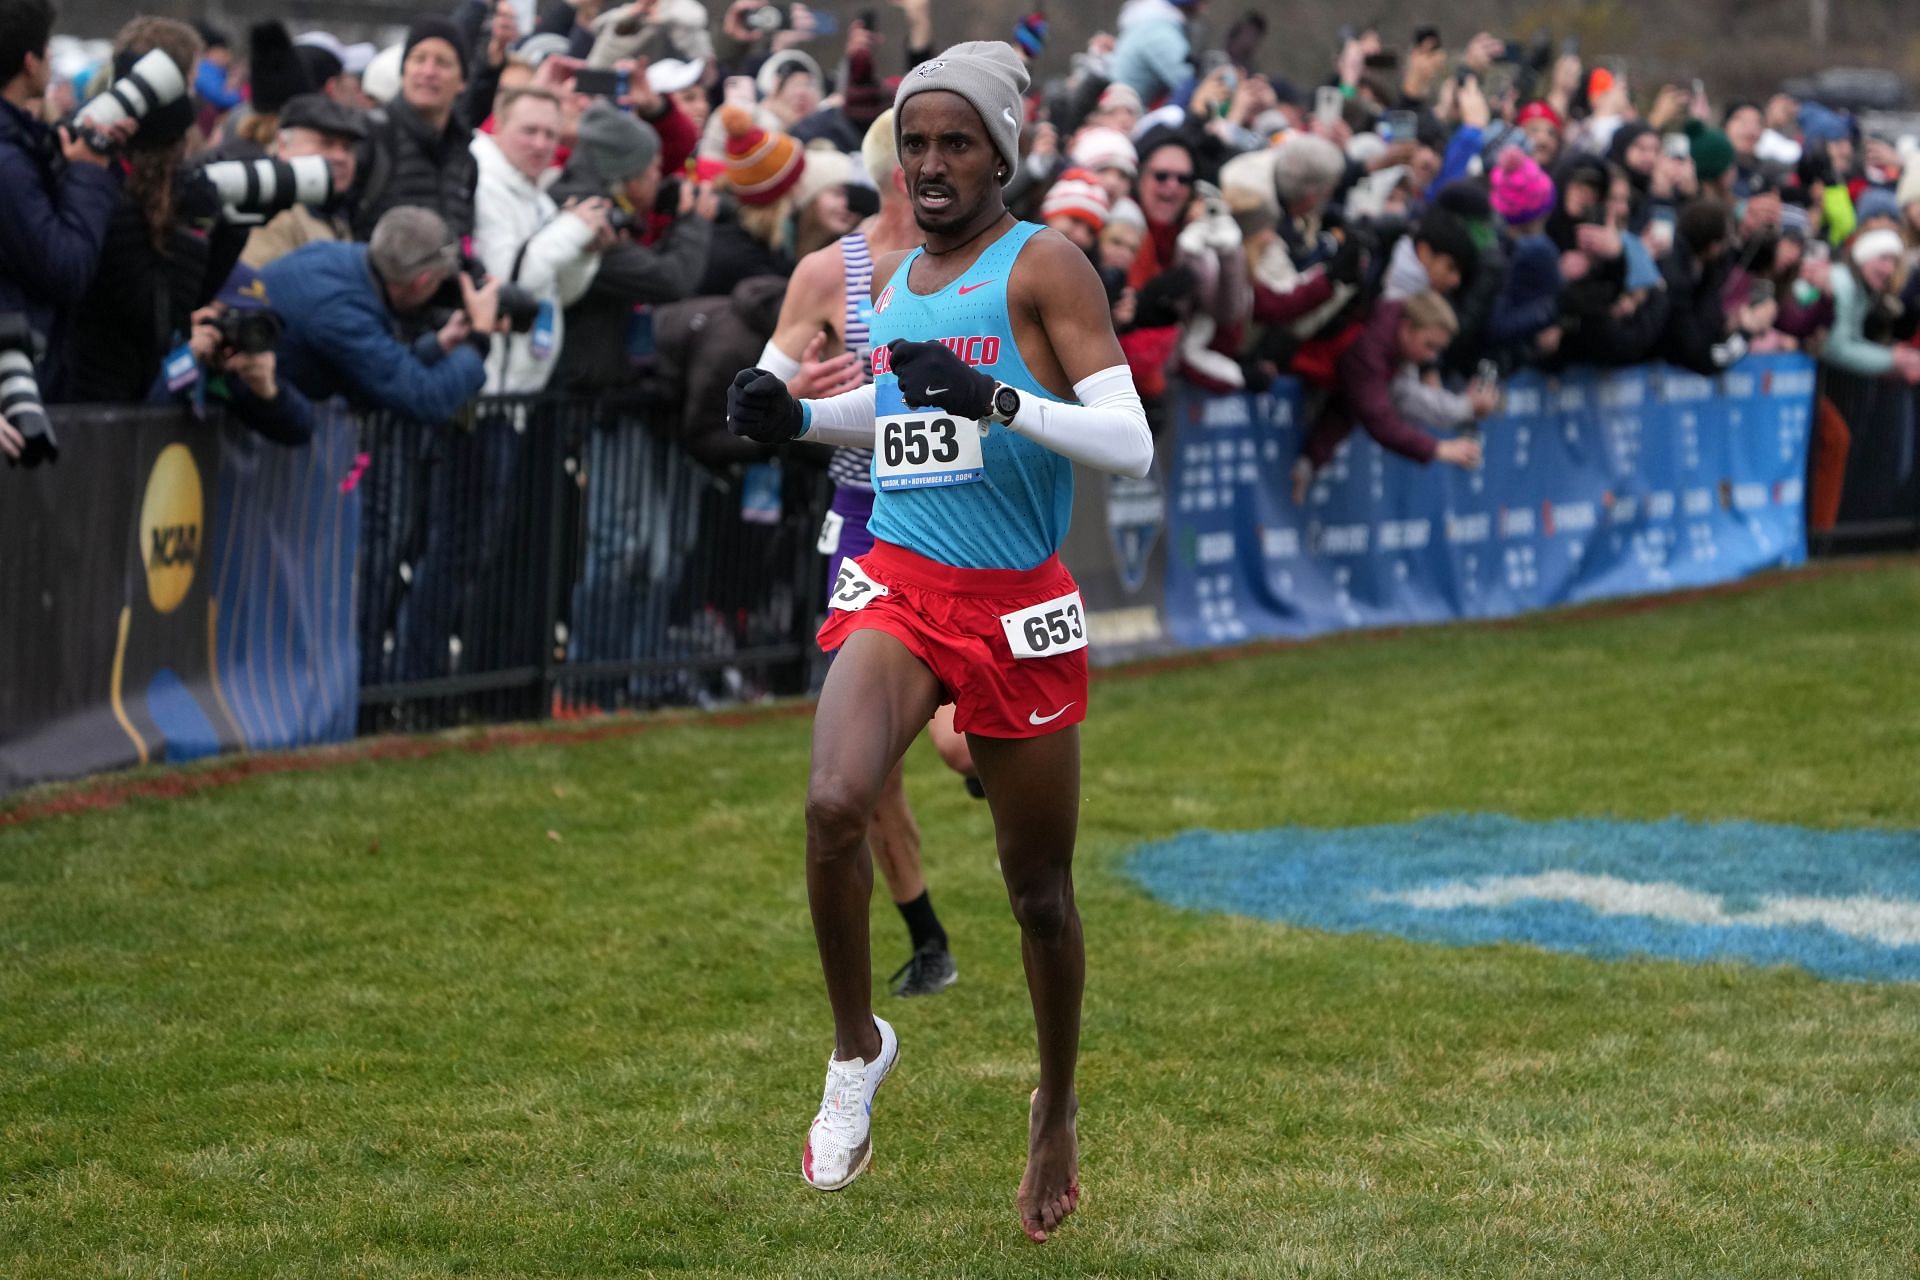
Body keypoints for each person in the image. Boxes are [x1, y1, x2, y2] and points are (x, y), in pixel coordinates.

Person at [724, 41, 1153, 1242]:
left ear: (1003, 151)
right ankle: (858, 1043)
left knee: (1040, 897)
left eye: (954, 142)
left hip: (1019, 602)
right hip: (903, 581)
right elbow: (904, 409)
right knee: (831, 801)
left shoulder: (1045, 264)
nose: (929, 164)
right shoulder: (900, 271)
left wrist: (1001, 399)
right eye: (914, 144)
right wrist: (799, 417)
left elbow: (1130, 443)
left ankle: (1056, 1106)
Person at [759, 109, 973, 1000]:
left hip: (970, 517)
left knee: (959, 748)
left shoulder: (985, 263)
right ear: (903, 175)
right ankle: (928, 939)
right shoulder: (830, 271)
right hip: (866, 518)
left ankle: (1000, 770)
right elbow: (763, 393)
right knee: (862, 761)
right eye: (931, 160)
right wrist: (799, 392)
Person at [0, 0, 130, 396]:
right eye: (47, 47)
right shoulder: (7, 160)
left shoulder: (21, 144)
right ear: (30, 62)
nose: (51, 57)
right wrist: (89, 172)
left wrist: (68, 159)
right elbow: (64, 266)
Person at [262, 205, 497, 423]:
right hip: (266, 433)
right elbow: (424, 399)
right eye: (438, 281)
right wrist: (479, 335)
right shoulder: (344, 314)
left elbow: (380, 363)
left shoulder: (338, 257)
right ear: (420, 282)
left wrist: (438, 346)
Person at [469, 86, 611, 392]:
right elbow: (507, 281)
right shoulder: (483, 184)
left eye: (550, 134)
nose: (540, 144)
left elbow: (561, 293)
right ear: (499, 127)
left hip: (521, 390)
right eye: (529, 131)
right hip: (483, 390)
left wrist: (585, 251)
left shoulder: (540, 201)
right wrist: (572, 228)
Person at [1293, 289, 1485, 501]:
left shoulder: (1390, 341)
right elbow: (1379, 419)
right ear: (1407, 328)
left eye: (1438, 350)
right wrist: (1437, 448)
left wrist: (1310, 461)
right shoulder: (1371, 349)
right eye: (1429, 346)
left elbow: (1348, 405)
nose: (1431, 357)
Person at [146, 263, 315, 446]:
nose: (239, 334)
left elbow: (300, 431)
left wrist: (269, 392)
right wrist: (186, 358)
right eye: (231, 317)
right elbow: (139, 416)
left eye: (251, 323)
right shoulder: (159, 342)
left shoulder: (234, 373)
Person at [241, 93, 366, 268]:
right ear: (283, 145)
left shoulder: (334, 210)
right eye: (326, 143)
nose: (340, 157)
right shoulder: (270, 213)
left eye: (347, 148)